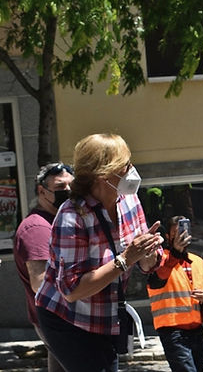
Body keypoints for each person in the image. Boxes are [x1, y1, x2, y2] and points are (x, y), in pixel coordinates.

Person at [34, 133, 163, 372]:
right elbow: (72, 291)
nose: (131, 170)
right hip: (66, 318)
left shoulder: (130, 200)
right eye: (126, 165)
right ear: (104, 174)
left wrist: (149, 252)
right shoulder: (72, 216)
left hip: (104, 315)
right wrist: (126, 259)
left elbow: (147, 264)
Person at [12, 162, 74, 372]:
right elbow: (40, 283)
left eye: (70, 186)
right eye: (59, 187)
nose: (67, 191)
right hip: (58, 322)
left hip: (62, 321)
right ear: (42, 191)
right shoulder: (37, 228)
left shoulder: (56, 221)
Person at [147, 216, 203, 372]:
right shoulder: (160, 259)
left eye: (184, 231)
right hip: (173, 332)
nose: (181, 235)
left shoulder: (199, 262)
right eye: (176, 232)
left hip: (197, 330)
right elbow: (157, 279)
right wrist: (176, 253)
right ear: (168, 236)